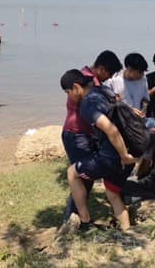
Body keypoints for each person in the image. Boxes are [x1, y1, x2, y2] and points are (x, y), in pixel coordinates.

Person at [67, 70, 137, 231]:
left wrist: (123, 156)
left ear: (76, 87)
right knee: (112, 195)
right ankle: (127, 231)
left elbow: (111, 130)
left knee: (72, 173)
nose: (69, 96)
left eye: (68, 92)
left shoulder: (87, 105)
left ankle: (85, 221)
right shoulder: (104, 91)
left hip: (112, 158)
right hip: (129, 155)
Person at [61, 51, 123, 223]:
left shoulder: (89, 79)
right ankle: (72, 220)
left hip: (85, 134)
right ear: (101, 69)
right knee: (81, 177)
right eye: (109, 74)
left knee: (83, 176)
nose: (109, 78)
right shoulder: (85, 82)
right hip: (77, 134)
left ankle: (79, 218)